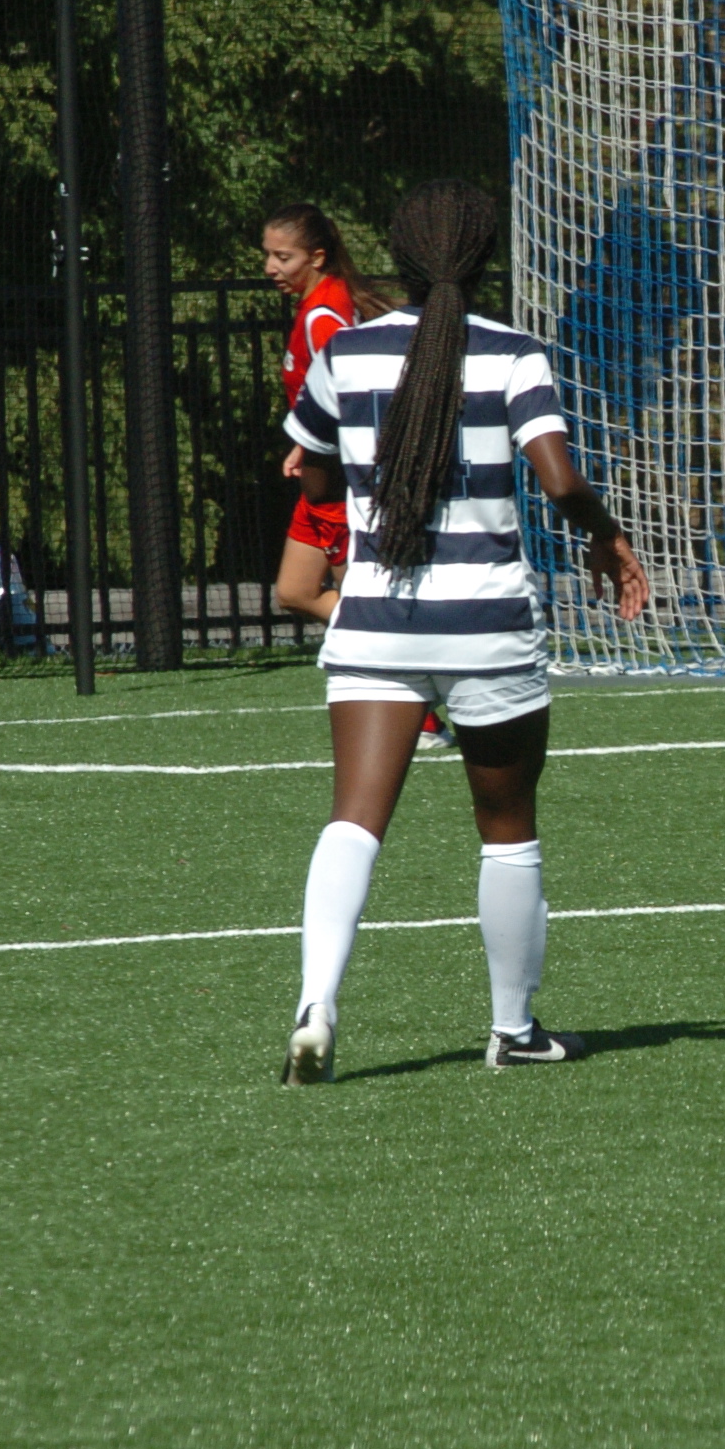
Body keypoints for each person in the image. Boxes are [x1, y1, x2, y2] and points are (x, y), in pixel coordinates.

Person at [280, 178, 648, 1085]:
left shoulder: (345, 352)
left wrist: (345, 476)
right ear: (483, 258)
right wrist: (606, 540)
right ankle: (512, 1031)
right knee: (507, 830)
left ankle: (316, 1005)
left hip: (377, 622)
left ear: (398, 257)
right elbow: (559, 480)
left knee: (353, 822)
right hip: (486, 627)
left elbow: (314, 478)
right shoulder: (515, 355)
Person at [263, 204, 448, 750]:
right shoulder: (323, 303)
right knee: (294, 591)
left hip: (339, 483)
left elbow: (345, 392)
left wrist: (309, 442)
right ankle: (412, 670)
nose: (271, 267)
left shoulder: (324, 316)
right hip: (320, 481)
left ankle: (421, 711)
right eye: (268, 255)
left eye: (283, 257)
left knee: (362, 602)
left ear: (317, 257)